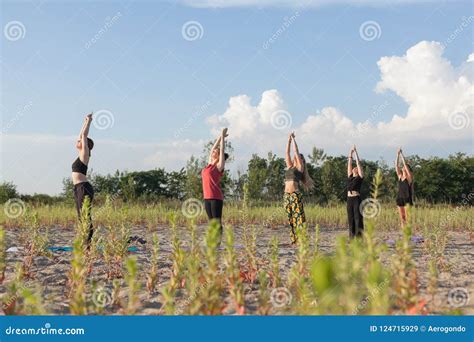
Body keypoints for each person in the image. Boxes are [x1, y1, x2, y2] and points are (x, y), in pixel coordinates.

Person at [284, 132, 314, 244]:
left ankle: (302, 239)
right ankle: (294, 240)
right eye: (297, 157)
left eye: (300, 158)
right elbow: (287, 153)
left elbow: (295, 152)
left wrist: (293, 139)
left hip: (295, 195)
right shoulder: (289, 166)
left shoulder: (300, 168)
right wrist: (288, 140)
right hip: (286, 196)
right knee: (290, 218)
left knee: (299, 219)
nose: (297, 158)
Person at [72, 113, 95, 243]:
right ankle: (85, 241)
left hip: (83, 188)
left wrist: (88, 121)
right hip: (78, 188)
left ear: (85, 145)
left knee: (85, 216)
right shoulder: (80, 154)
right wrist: (84, 122)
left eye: (80, 142)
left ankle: (88, 243)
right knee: (81, 216)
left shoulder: (84, 154)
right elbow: (80, 136)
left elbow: (83, 136)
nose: (78, 141)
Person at [201, 128, 229, 235]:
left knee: (217, 222)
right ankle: (213, 241)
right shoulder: (208, 165)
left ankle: (218, 243)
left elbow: (221, 150)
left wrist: (222, 137)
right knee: (211, 222)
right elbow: (212, 148)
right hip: (207, 197)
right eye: (213, 151)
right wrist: (220, 137)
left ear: (218, 156)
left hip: (216, 198)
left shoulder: (218, 166)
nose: (213, 152)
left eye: (216, 152)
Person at [347, 145, 364, 238]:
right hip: (349, 199)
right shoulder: (350, 176)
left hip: (356, 199)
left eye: (357, 167)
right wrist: (350, 153)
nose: (355, 167)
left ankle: (359, 237)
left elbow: (358, 164)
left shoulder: (360, 177)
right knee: (351, 218)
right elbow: (349, 164)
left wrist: (356, 153)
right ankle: (351, 237)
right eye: (355, 167)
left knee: (358, 218)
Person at [395, 147, 414, 227]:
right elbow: (396, 165)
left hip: (407, 198)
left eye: (405, 167)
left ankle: (408, 233)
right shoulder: (400, 176)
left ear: (407, 169)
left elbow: (405, 165)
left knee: (407, 217)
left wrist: (402, 155)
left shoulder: (409, 177)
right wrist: (397, 154)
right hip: (400, 198)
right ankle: (404, 234)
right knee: (402, 218)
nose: (403, 167)